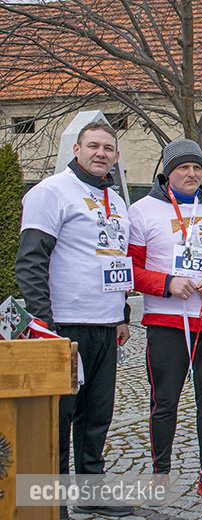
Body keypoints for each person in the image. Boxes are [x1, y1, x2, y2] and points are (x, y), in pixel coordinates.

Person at [15, 121, 132, 519]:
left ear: (116, 156)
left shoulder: (115, 200)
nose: (101, 153)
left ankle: (91, 492)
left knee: (96, 417)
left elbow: (117, 260)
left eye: (108, 148)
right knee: (58, 420)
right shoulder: (51, 192)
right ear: (78, 149)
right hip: (63, 327)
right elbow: (30, 261)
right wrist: (42, 326)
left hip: (104, 325)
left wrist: (123, 313)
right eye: (93, 146)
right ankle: (53, 502)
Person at [128, 139, 202, 504]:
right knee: (165, 402)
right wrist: (166, 284)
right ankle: (160, 475)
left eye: (197, 167)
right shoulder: (142, 211)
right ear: (167, 172)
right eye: (183, 168)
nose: (192, 174)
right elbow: (129, 269)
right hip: (167, 323)